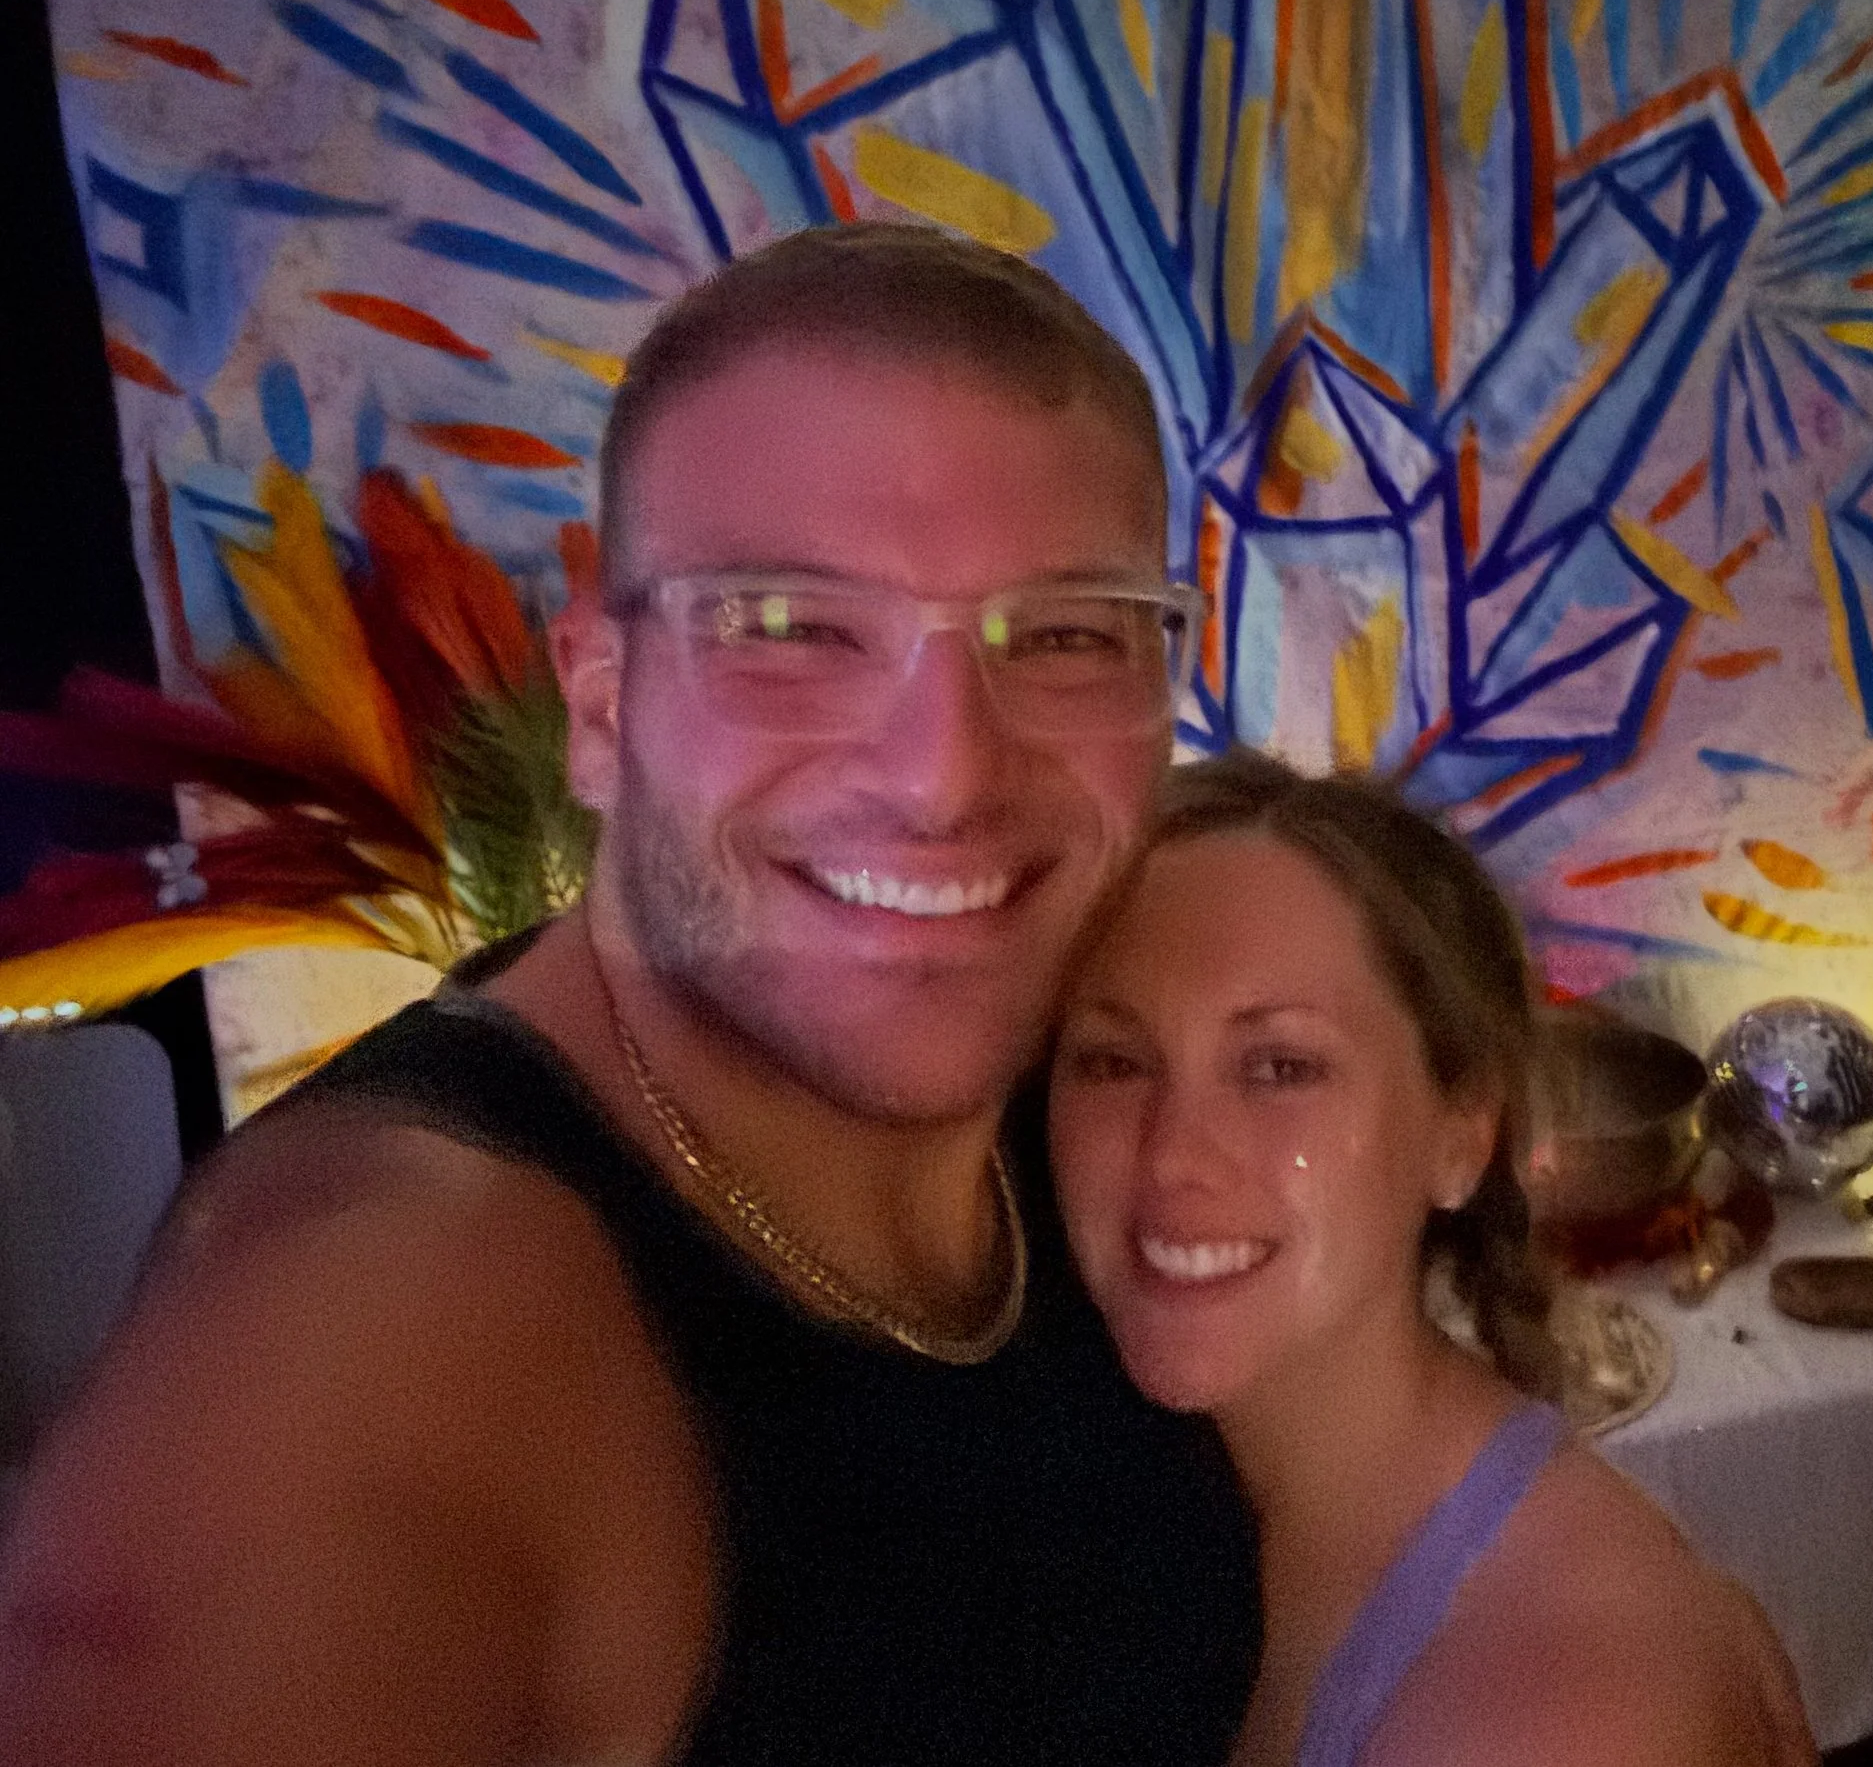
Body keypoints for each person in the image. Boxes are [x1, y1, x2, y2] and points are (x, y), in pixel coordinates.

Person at [0, 225, 1261, 1766]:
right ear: (602, 709)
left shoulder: (1092, 1107)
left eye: (1065, 635)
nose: (945, 778)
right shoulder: (374, 1336)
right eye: (789, 629)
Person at [1050, 752, 1816, 1767]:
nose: (1173, 1153)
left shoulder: (1569, 1710)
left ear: (1462, 1130)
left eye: (1281, 1066)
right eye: (1113, 1059)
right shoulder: (1117, 1505)